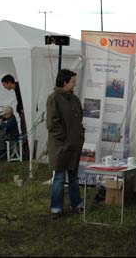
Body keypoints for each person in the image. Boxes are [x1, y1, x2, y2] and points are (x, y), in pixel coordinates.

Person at [46, 69, 85, 219]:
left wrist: (79, 133)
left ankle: (76, 204)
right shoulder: (54, 98)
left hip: (74, 144)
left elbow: (79, 116)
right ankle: (56, 207)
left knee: (74, 176)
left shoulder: (74, 98)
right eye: (73, 81)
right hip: (60, 146)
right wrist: (64, 140)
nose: (75, 84)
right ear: (65, 82)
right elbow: (52, 123)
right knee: (60, 177)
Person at [1, 74, 28, 156]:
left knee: (25, 132)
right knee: (23, 131)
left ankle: (26, 153)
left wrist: (22, 110)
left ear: (9, 82)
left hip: (24, 113)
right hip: (22, 112)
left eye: (4, 85)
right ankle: (25, 152)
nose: (4, 87)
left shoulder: (20, 88)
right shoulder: (17, 88)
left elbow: (24, 101)